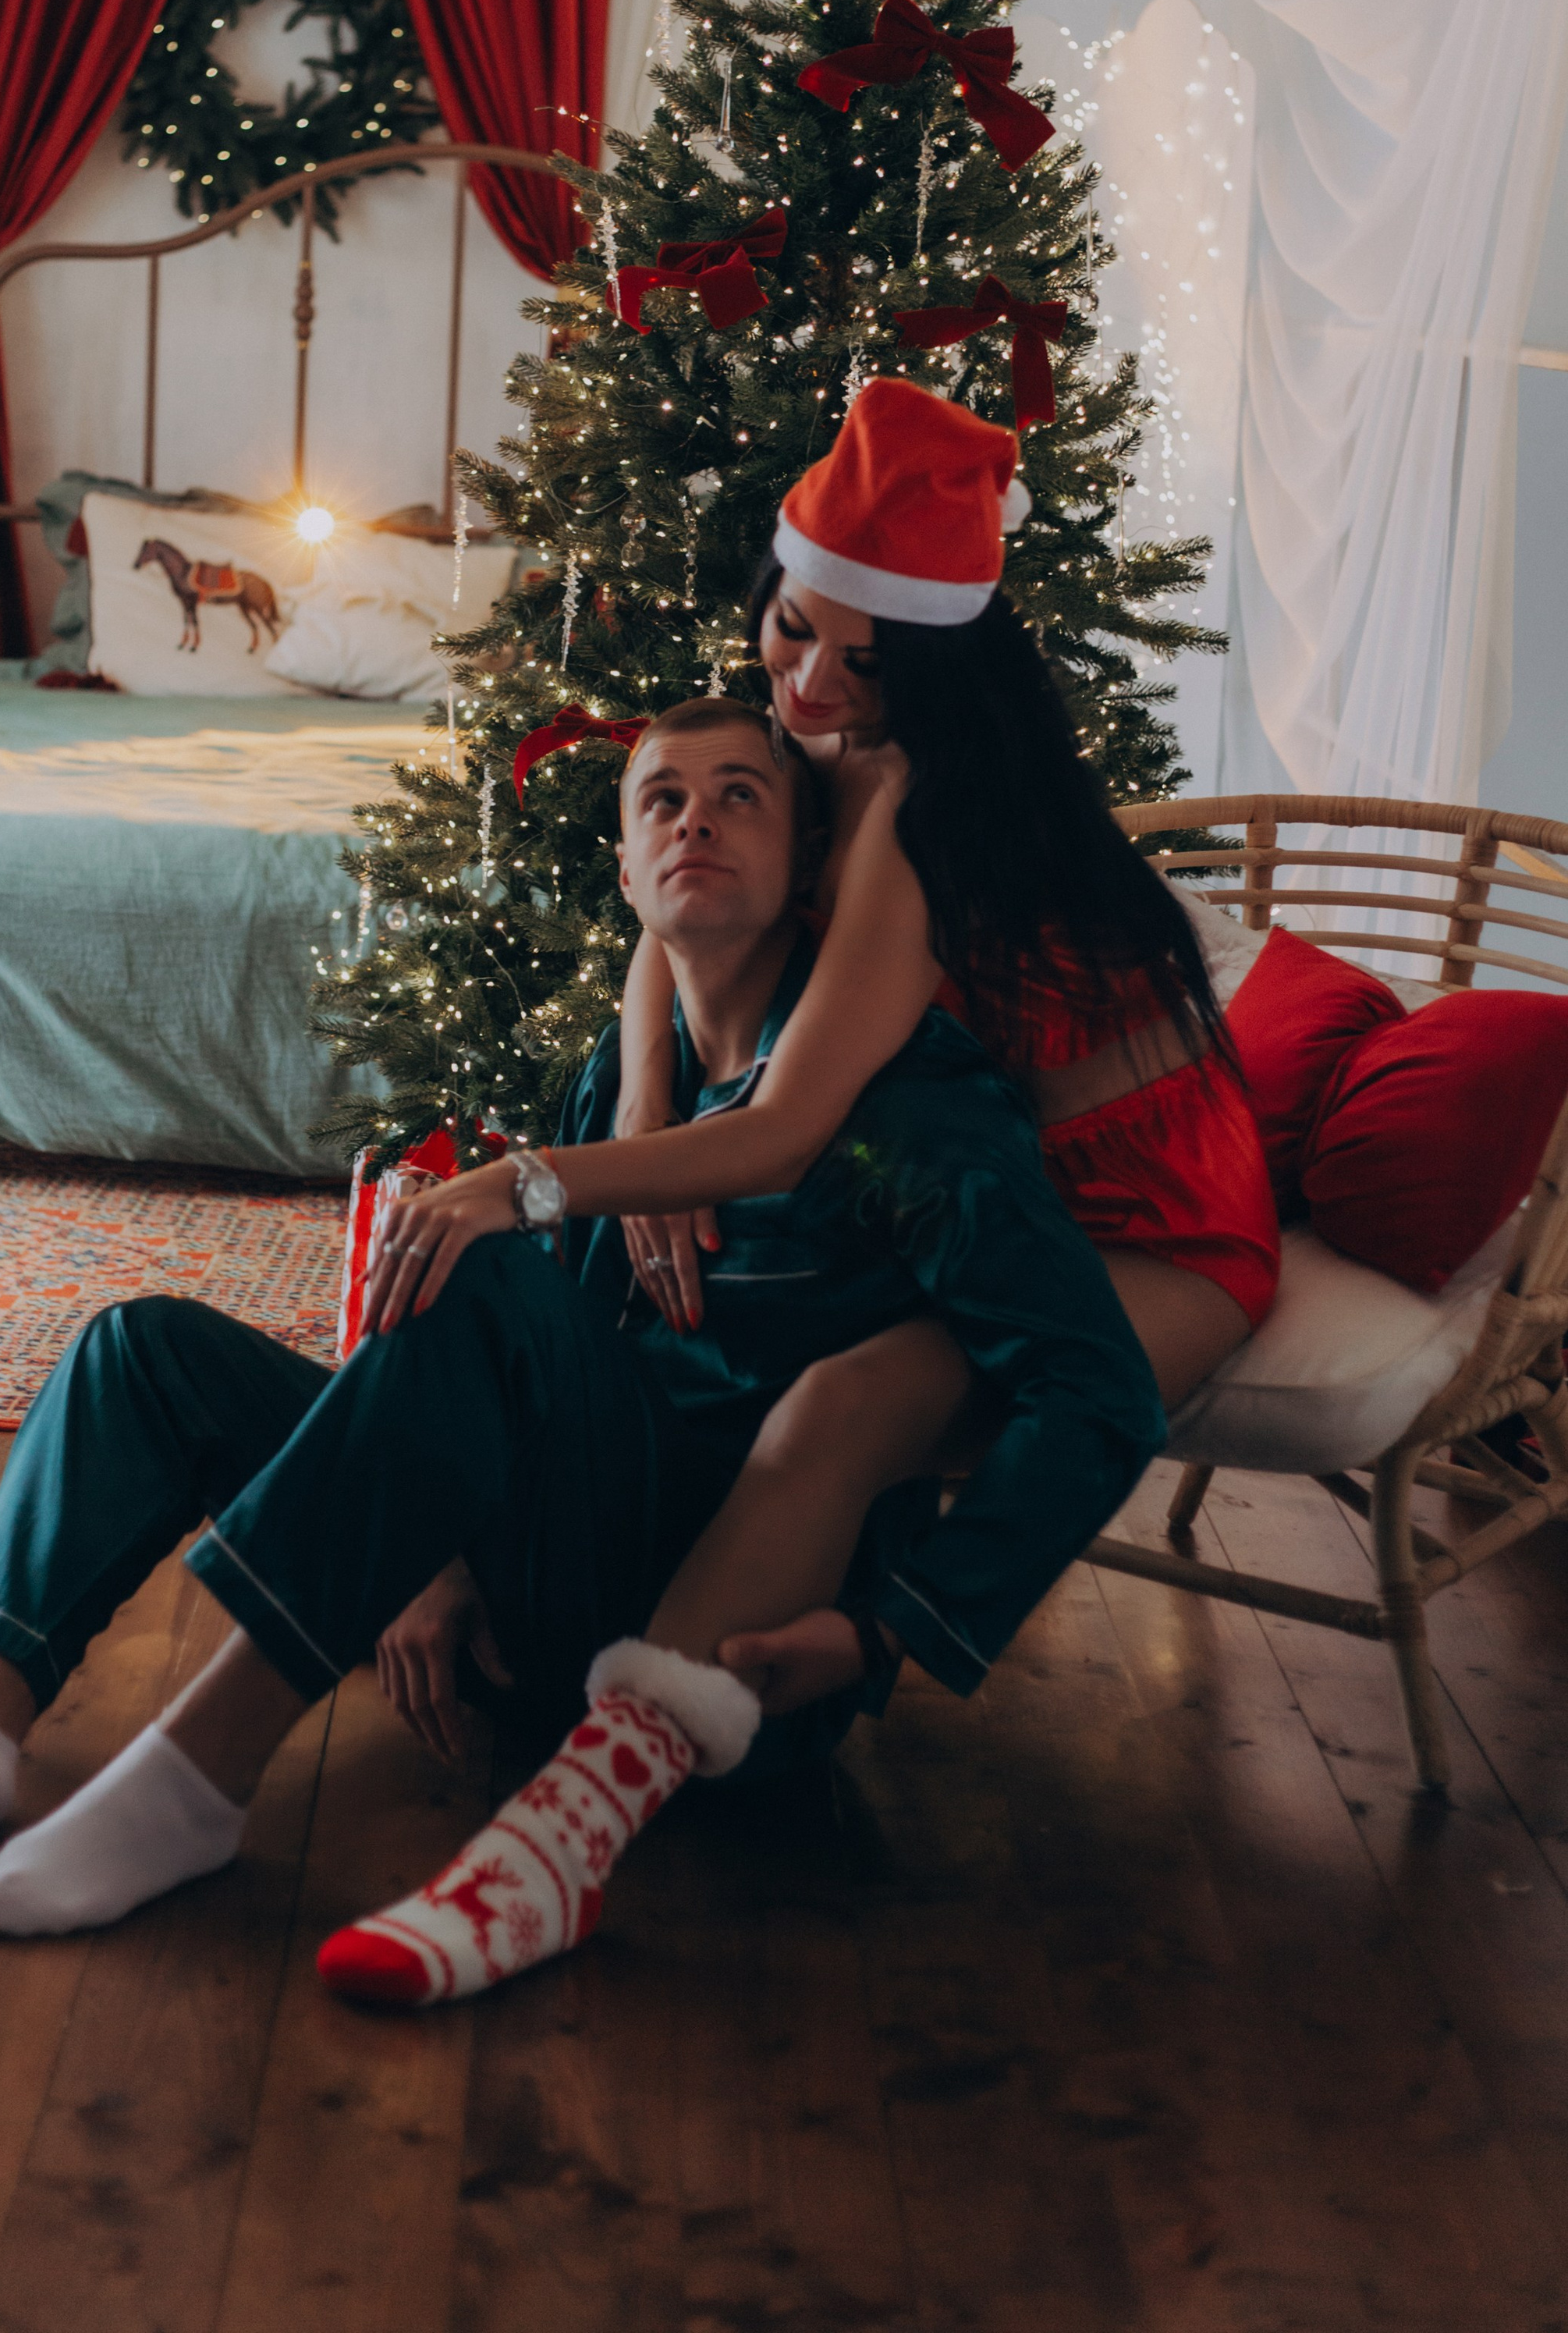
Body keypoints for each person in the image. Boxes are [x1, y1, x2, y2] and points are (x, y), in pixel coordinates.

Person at [0, 690, 1162, 2000]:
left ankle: (194, 1777)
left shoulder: (914, 1107)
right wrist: (433, 1558)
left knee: (490, 1274)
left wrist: (890, 1630)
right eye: (661, 800)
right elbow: (538, 1356)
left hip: (718, 1663)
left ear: (813, 865)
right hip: (542, 1565)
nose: (696, 820)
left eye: (741, 796)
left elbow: (1095, 1387)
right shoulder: (622, 1078)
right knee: (141, 1350)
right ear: (630, 867)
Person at [333, 378, 1276, 1993]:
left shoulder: (911, 809)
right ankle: (569, 1668)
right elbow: (670, 916)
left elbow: (782, 1128)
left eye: (862, 654)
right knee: (760, 1364)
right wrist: (637, 1093)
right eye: (792, 633)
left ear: (938, 662)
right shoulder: (795, 749)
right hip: (994, 1177)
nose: (814, 685)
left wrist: (543, 1182)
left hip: (1150, 1220)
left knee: (839, 1407)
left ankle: (563, 1839)